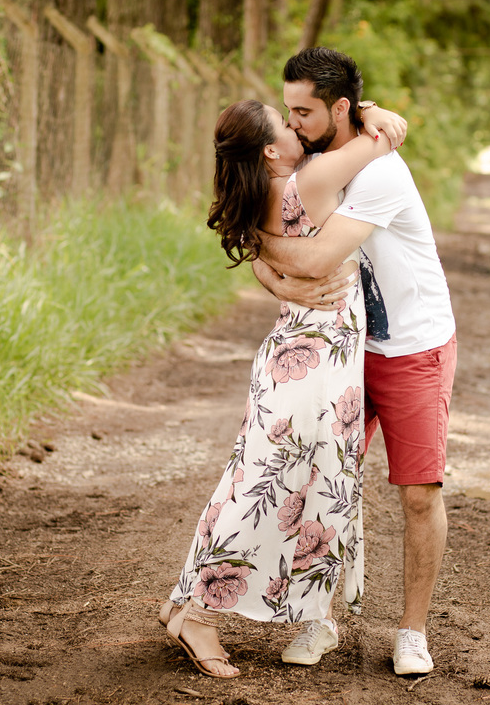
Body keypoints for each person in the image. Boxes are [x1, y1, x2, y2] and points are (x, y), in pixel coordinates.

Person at [159, 97, 407, 679]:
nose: (298, 126)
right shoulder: (314, 178)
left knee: (252, 479)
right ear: (271, 150)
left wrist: (266, 265)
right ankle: (198, 614)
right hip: (317, 365)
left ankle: (186, 598)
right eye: (285, 123)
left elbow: (264, 237)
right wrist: (372, 112)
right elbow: (384, 137)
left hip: (296, 353)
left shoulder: (266, 194)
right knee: (270, 489)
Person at [252, 47, 457, 677]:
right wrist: (268, 270)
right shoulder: (313, 157)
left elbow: (312, 259)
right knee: (319, 477)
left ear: (341, 108)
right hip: (341, 348)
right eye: (289, 111)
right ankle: (319, 618)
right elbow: (283, 250)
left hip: (411, 347)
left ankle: (412, 632)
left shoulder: (380, 171)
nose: (294, 125)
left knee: (418, 493)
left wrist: (252, 242)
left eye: (305, 112)